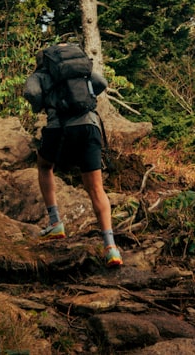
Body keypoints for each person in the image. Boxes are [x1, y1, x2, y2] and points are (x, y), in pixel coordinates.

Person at [23, 43, 122, 267]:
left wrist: (44, 106)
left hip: (59, 128)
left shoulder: (40, 75)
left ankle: (55, 222)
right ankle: (111, 248)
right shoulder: (79, 70)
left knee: (45, 166)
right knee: (96, 188)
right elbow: (101, 83)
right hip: (89, 125)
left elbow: (31, 92)